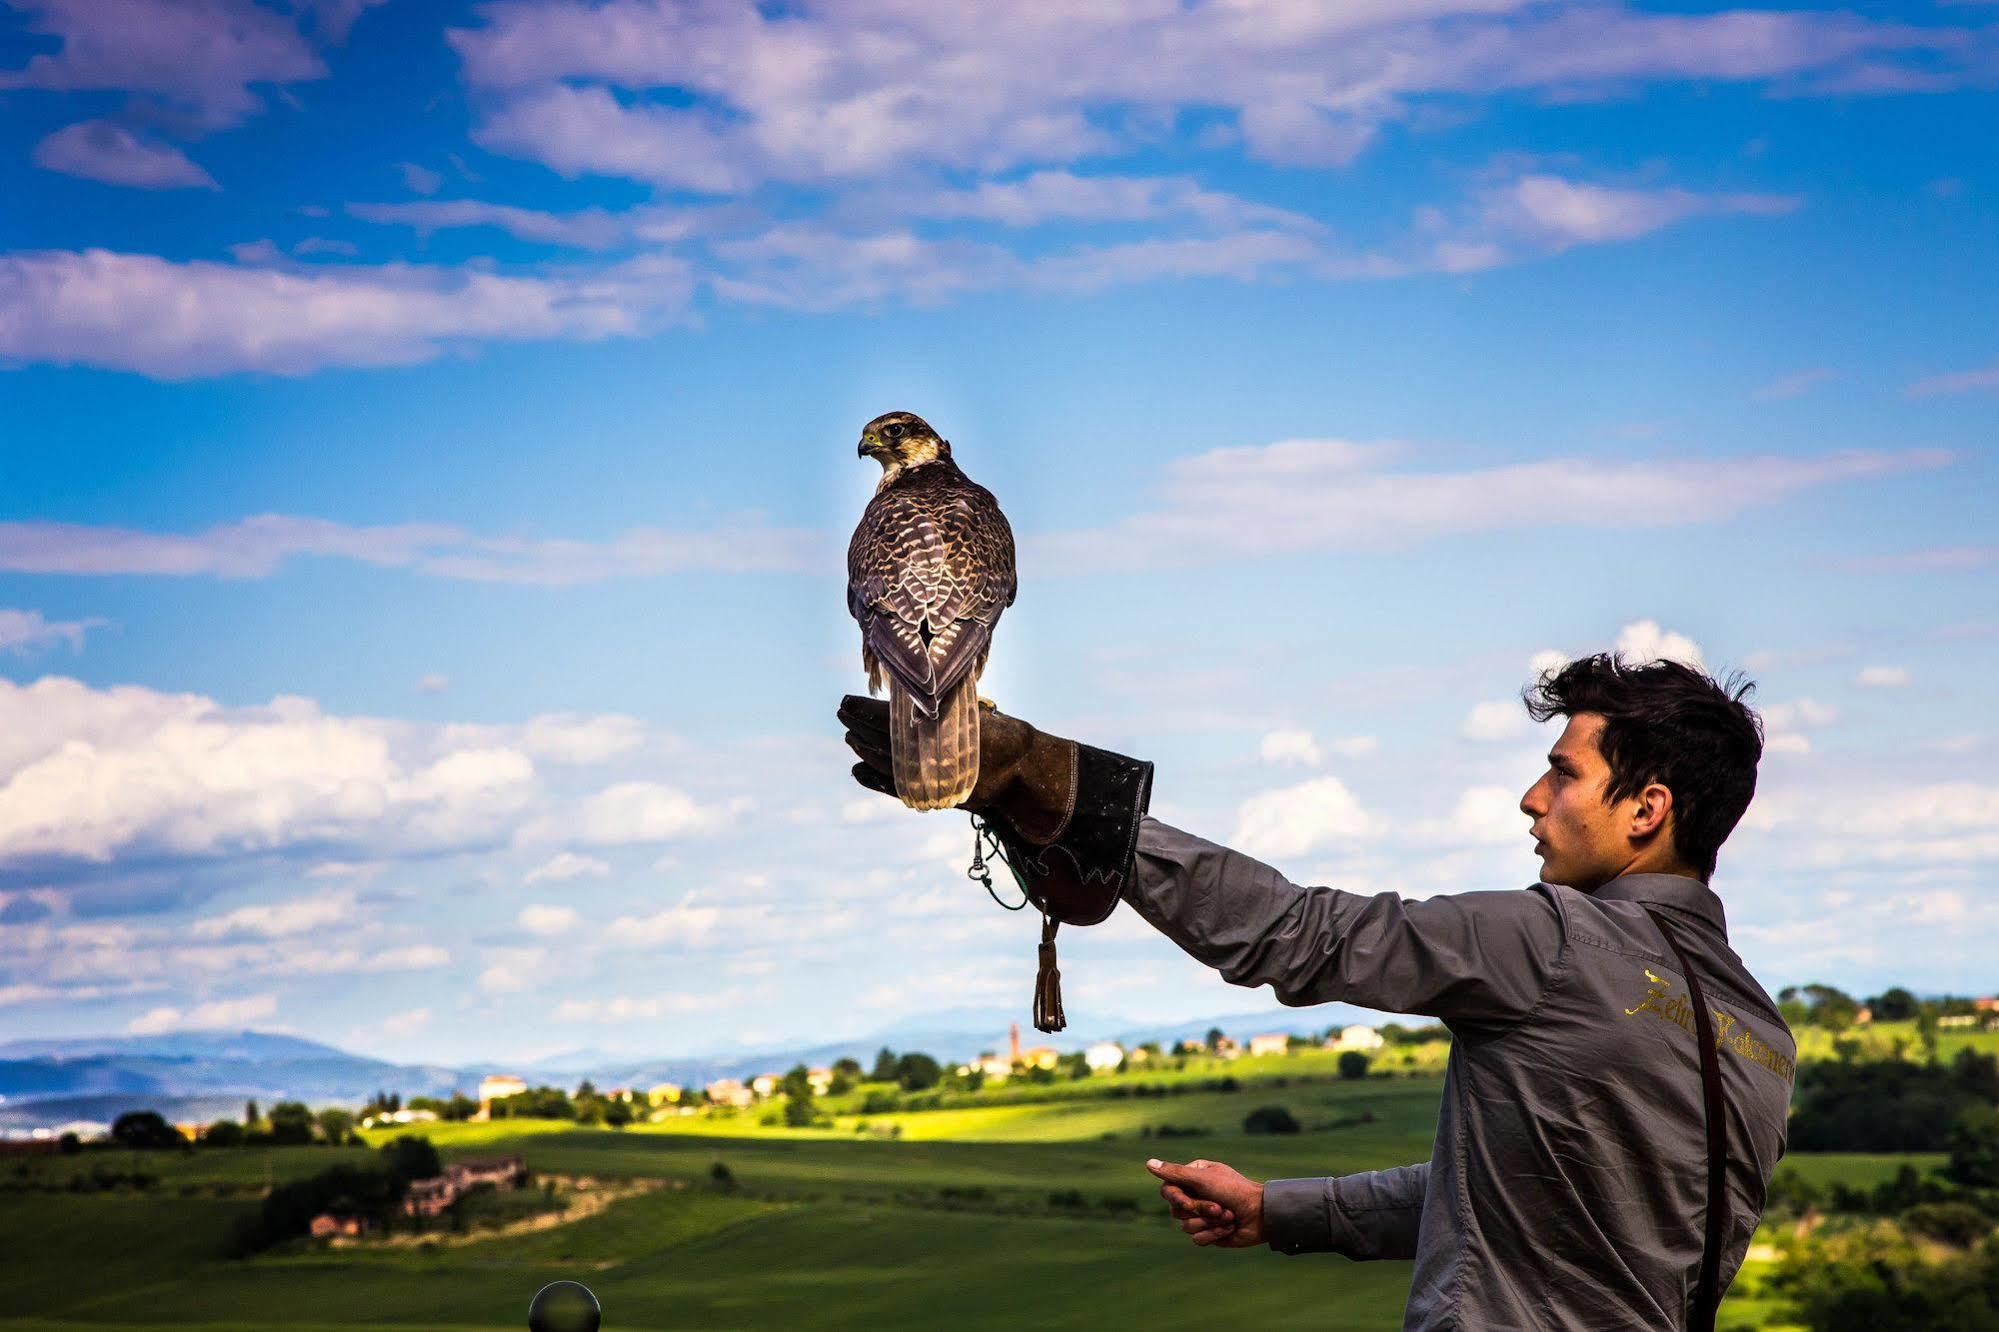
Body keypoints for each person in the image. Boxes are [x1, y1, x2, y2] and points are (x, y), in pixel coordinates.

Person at [839, 652, 1795, 1331]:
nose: (1530, 799)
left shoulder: (1550, 941)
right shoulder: (1760, 1036)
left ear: (1646, 809)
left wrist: (1075, 797)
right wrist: (1272, 1211)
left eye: (1561, 772)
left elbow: (1299, 936)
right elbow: (1507, 1194)